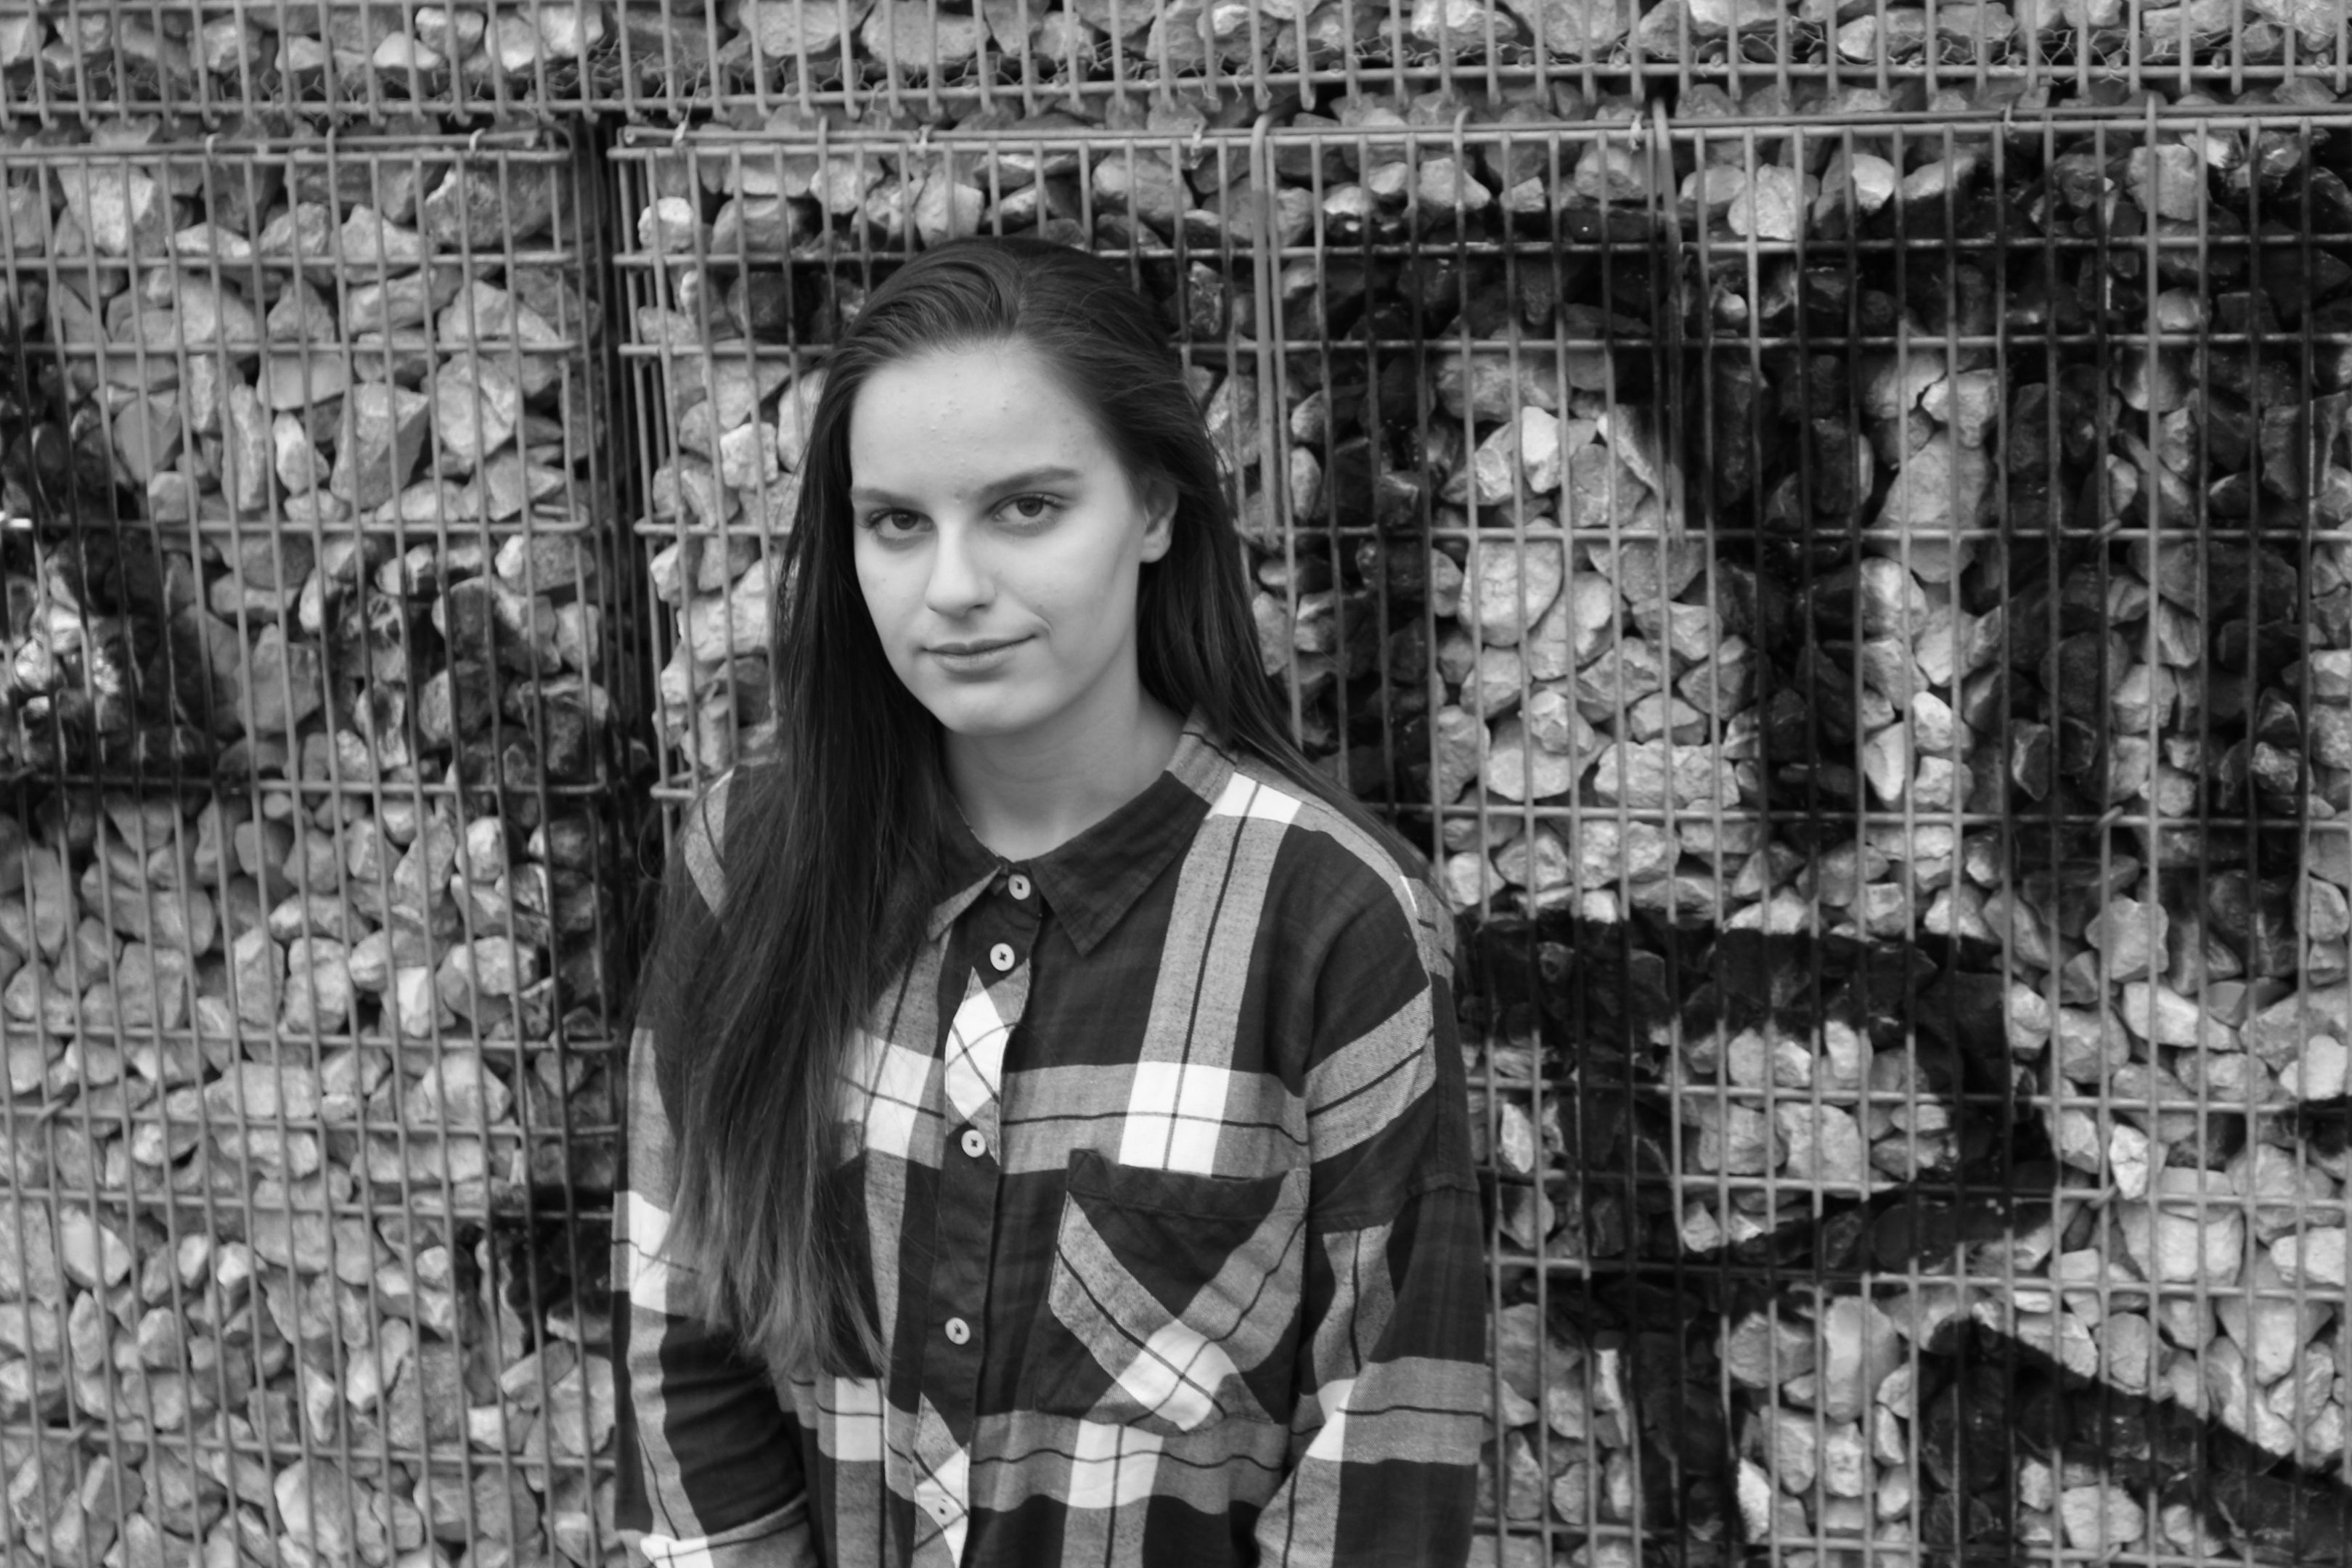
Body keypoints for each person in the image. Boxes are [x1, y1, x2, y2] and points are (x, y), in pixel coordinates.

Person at [613, 235, 1485, 1568]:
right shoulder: (751, 865)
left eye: (1026, 508)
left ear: (1154, 509)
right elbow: (684, 1338)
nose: (954, 588)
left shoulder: (1332, 922)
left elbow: (1381, 1462)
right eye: (897, 522)